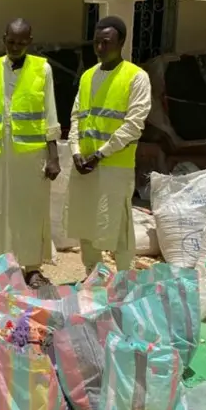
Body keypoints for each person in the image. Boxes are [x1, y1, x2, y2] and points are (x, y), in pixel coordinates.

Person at [0, 19, 61, 287]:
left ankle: (32, 267)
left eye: (22, 43)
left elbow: (50, 112)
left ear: (29, 41)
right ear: (4, 38)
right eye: (11, 42)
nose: (15, 47)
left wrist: (54, 156)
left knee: (31, 210)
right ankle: (2, 266)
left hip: (31, 153)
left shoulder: (42, 69)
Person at [66, 16, 152, 274]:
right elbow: (75, 117)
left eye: (107, 43)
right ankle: (93, 273)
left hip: (115, 164)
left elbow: (134, 124)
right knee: (85, 221)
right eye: (97, 43)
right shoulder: (88, 76)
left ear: (121, 42)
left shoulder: (136, 77)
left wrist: (100, 154)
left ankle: (124, 276)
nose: (101, 48)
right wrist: (76, 152)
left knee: (119, 225)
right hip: (85, 164)